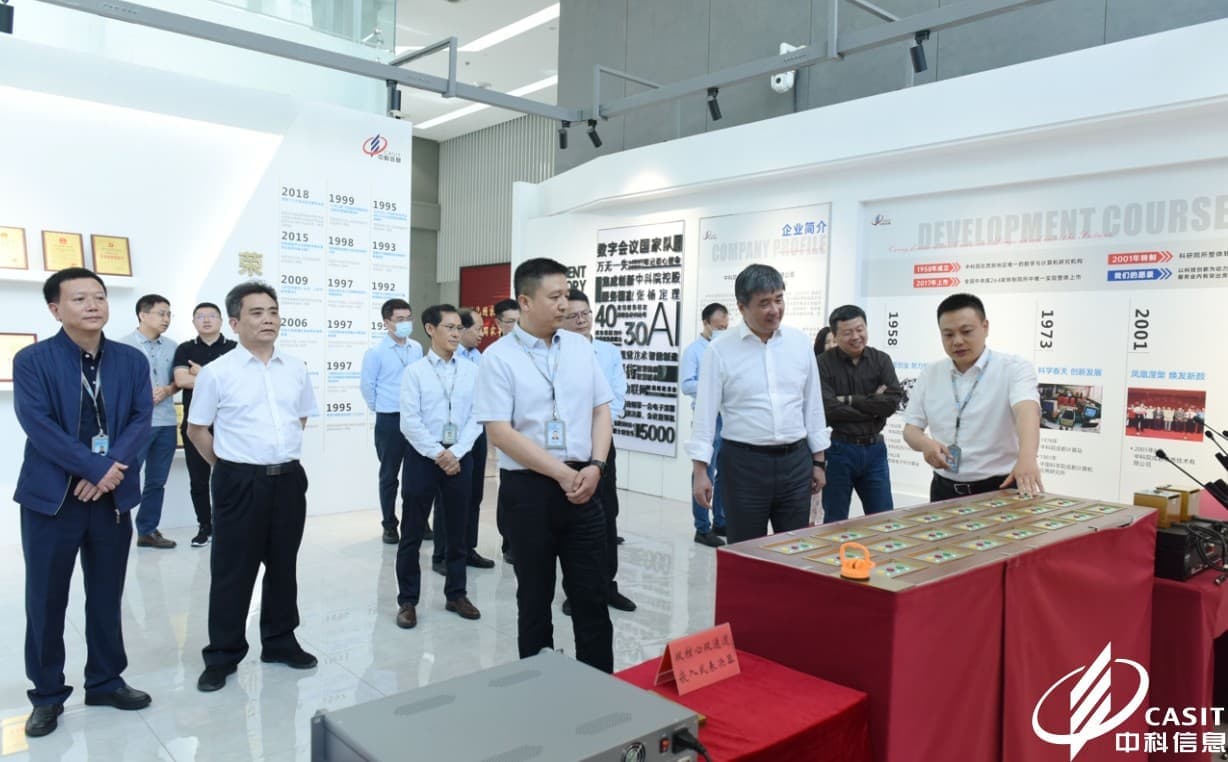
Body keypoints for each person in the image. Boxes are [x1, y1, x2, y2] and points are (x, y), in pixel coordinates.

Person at [14, 268, 154, 738]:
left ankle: (106, 681)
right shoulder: (32, 360)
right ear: (55, 309)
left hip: (111, 497)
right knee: (46, 599)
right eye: (79, 299)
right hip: (52, 500)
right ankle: (47, 694)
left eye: (99, 296)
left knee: (107, 594)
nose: (93, 305)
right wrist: (95, 468)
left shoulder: (131, 360)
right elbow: (37, 424)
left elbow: (141, 418)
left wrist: (110, 468)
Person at [474, 258, 614, 672]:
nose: (564, 304)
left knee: (592, 595)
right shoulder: (498, 358)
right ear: (525, 301)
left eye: (566, 294)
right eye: (555, 297)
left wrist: (596, 465)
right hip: (529, 491)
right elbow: (500, 432)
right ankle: (538, 688)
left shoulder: (579, 347)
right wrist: (561, 473)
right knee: (534, 598)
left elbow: (601, 409)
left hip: (586, 483)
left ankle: (601, 686)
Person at [187, 281, 319, 693]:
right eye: (257, 313)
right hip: (238, 481)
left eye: (273, 312)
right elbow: (197, 430)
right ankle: (222, 655)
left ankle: (280, 641)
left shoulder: (295, 367)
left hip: (288, 479)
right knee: (233, 571)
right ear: (234, 322)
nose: (268, 320)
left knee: (283, 565)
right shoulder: (217, 372)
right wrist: (228, 467)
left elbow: (300, 418)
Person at [688, 264, 830, 543]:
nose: (774, 310)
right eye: (764, 303)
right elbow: (704, 416)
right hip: (743, 466)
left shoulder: (799, 343)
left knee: (793, 548)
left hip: (795, 463)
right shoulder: (720, 350)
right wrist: (700, 472)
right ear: (742, 307)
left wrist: (819, 462)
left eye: (779, 299)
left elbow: (813, 407)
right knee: (745, 550)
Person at [394, 305, 484, 629]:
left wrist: (456, 452)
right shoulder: (415, 372)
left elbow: (478, 415)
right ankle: (408, 600)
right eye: (450, 327)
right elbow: (409, 422)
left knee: (458, 529)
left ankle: (456, 594)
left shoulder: (472, 371)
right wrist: (438, 453)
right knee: (412, 532)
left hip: (460, 456)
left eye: (459, 328)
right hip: (423, 457)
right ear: (430, 329)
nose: (456, 334)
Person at [902, 293, 1042, 501]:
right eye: (948, 335)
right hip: (943, 489)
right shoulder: (931, 373)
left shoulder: (1013, 368)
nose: (957, 341)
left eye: (966, 331)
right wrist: (925, 443)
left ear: (985, 327)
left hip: (999, 488)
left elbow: (1027, 411)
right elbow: (911, 429)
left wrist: (1027, 456)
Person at [561, 290, 636, 614]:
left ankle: (608, 586)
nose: (581, 320)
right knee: (573, 518)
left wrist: (601, 426)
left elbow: (617, 394)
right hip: (570, 446)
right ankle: (575, 591)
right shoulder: (557, 353)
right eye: (573, 315)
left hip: (603, 444)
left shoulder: (608, 352)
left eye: (585, 314)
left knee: (607, 514)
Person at [818, 305, 903, 523]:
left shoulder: (881, 360)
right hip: (839, 450)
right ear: (835, 335)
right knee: (835, 519)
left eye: (860, 329)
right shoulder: (823, 364)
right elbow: (829, 409)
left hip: (875, 450)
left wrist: (849, 400)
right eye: (848, 332)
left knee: (883, 519)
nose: (856, 336)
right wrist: (873, 405)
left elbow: (891, 403)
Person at [173, 302, 238, 547]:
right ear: (193, 322)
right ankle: (205, 526)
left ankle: (228, 525)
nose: (207, 320)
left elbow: (239, 382)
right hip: (196, 425)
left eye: (212, 316)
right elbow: (181, 380)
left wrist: (202, 373)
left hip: (228, 426)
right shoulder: (185, 349)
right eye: (200, 316)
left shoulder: (235, 348)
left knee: (231, 478)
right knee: (198, 480)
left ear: (222, 321)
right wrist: (216, 377)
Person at [360, 298, 423, 544]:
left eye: (408, 318)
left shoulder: (416, 348)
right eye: (400, 319)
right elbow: (367, 386)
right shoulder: (376, 352)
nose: (406, 323)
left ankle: (416, 522)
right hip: (389, 420)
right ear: (386, 323)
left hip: (415, 418)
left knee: (416, 475)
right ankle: (389, 524)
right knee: (389, 475)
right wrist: (382, 408)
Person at [120, 294, 179, 549]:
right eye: (161, 313)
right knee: (125, 477)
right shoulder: (123, 346)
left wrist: (168, 390)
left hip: (166, 422)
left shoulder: (173, 347)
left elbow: (179, 380)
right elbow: (116, 385)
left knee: (157, 481)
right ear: (143, 315)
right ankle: (117, 528)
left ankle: (147, 530)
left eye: (169, 314)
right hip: (136, 423)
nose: (166, 319)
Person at [680, 302, 730, 547]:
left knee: (725, 473)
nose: (722, 331)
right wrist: (712, 385)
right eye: (718, 327)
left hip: (728, 417)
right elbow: (686, 384)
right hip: (707, 418)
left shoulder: (727, 349)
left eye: (725, 327)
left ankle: (720, 520)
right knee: (704, 473)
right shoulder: (694, 351)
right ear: (706, 323)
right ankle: (702, 527)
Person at [454, 308, 494, 569]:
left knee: (475, 494)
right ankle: (446, 553)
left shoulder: (481, 358)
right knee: (452, 497)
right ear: (462, 329)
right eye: (478, 328)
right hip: (454, 435)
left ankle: (469, 548)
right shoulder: (449, 357)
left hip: (477, 431)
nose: (482, 333)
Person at [491, 297, 521, 563]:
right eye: (511, 322)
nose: (516, 326)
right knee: (509, 487)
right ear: (499, 323)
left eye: (519, 321)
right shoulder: (495, 354)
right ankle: (509, 542)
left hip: (535, 431)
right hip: (506, 431)